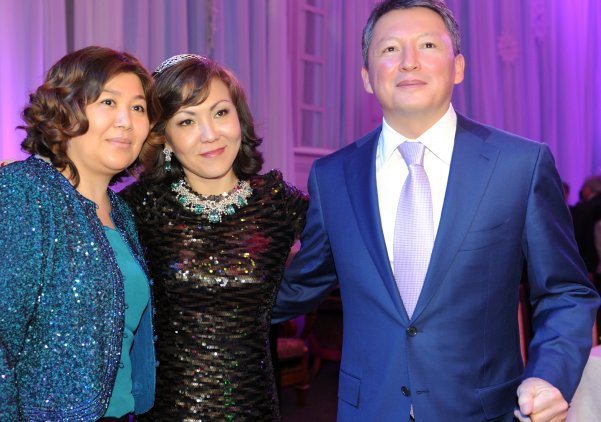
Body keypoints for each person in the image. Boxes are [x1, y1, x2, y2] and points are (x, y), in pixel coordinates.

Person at [272, 1, 600, 421]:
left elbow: (566, 292)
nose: (408, 61)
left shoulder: (519, 165)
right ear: (367, 76)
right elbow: (302, 284)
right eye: (390, 49)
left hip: (482, 411)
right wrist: (209, 294)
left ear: (458, 67)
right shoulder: (332, 176)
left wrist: (549, 375)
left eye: (427, 45)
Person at [120, 54, 308, 420]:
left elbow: (343, 253)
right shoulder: (139, 207)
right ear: (164, 137)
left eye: (220, 112)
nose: (210, 134)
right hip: (167, 412)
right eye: (187, 121)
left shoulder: (278, 202)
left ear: (239, 117)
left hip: (255, 408)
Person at [0, 46, 161, 421]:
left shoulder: (121, 212)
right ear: (66, 108)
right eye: (109, 102)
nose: (126, 121)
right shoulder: (25, 193)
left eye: (138, 108)